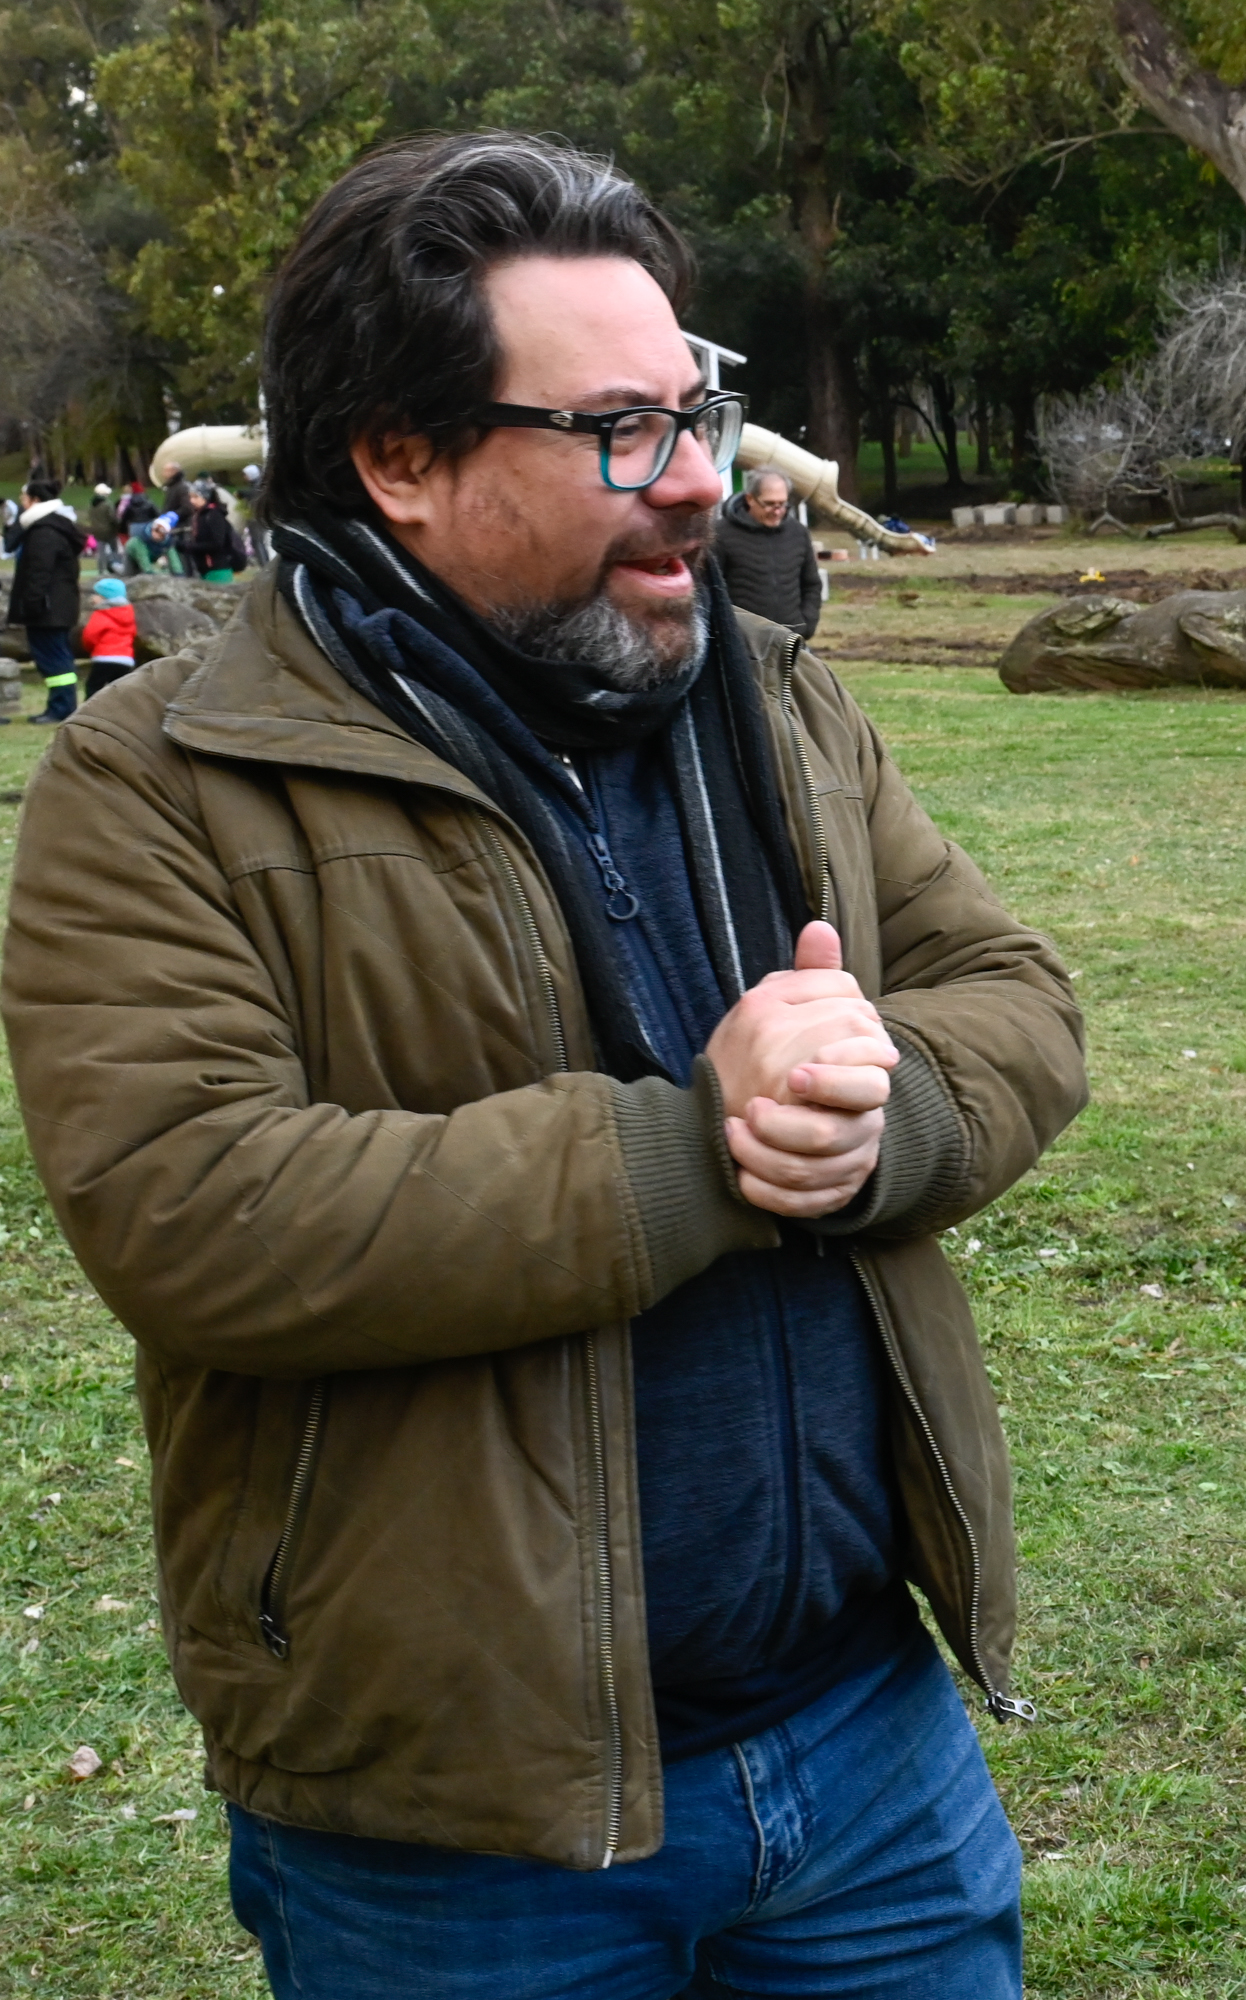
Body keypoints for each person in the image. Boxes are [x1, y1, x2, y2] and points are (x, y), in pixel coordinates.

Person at [0, 132, 1088, 1998]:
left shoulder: (770, 694)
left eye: (698, 411)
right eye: (616, 434)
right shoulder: (155, 787)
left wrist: (874, 1111)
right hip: (459, 1829)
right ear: (400, 462)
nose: (698, 483)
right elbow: (197, 1213)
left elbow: (1015, 998)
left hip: (865, 1749)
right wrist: (698, 1149)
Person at [5, 475, 87, 723]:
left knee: (54, 658)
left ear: (36, 500)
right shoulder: (53, 526)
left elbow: (38, 572)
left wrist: (31, 604)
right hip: (56, 607)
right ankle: (60, 705)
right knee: (56, 657)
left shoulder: (44, 532)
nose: (21, 502)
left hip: (47, 608)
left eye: (24, 497)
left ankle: (61, 707)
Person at [714, 467, 822, 637]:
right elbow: (711, 589)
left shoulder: (799, 533)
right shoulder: (721, 534)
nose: (777, 511)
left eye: (782, 504)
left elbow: (812, 584)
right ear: (750, 499)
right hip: (744, 642)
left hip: (791, 639)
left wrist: (806, 624)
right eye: (770, 504)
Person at [79, 575, 135, 698]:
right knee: (119, 690)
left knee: (93, 687)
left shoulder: (101, 614)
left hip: (104, 657)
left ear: (104, 598)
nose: (92, 598)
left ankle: (91, 712)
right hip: (125, 659)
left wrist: (90, 648)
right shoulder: (128, 614)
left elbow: (90, 635)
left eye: (96, 595)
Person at [185, 483, 247, 581]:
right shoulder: (200, 515)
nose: (192, 501)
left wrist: (190, 547)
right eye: (190, 497)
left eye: (196, 497)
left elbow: (217, 543)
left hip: (218, 568)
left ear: (205, 497)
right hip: (205, 569)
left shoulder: (214, 515)